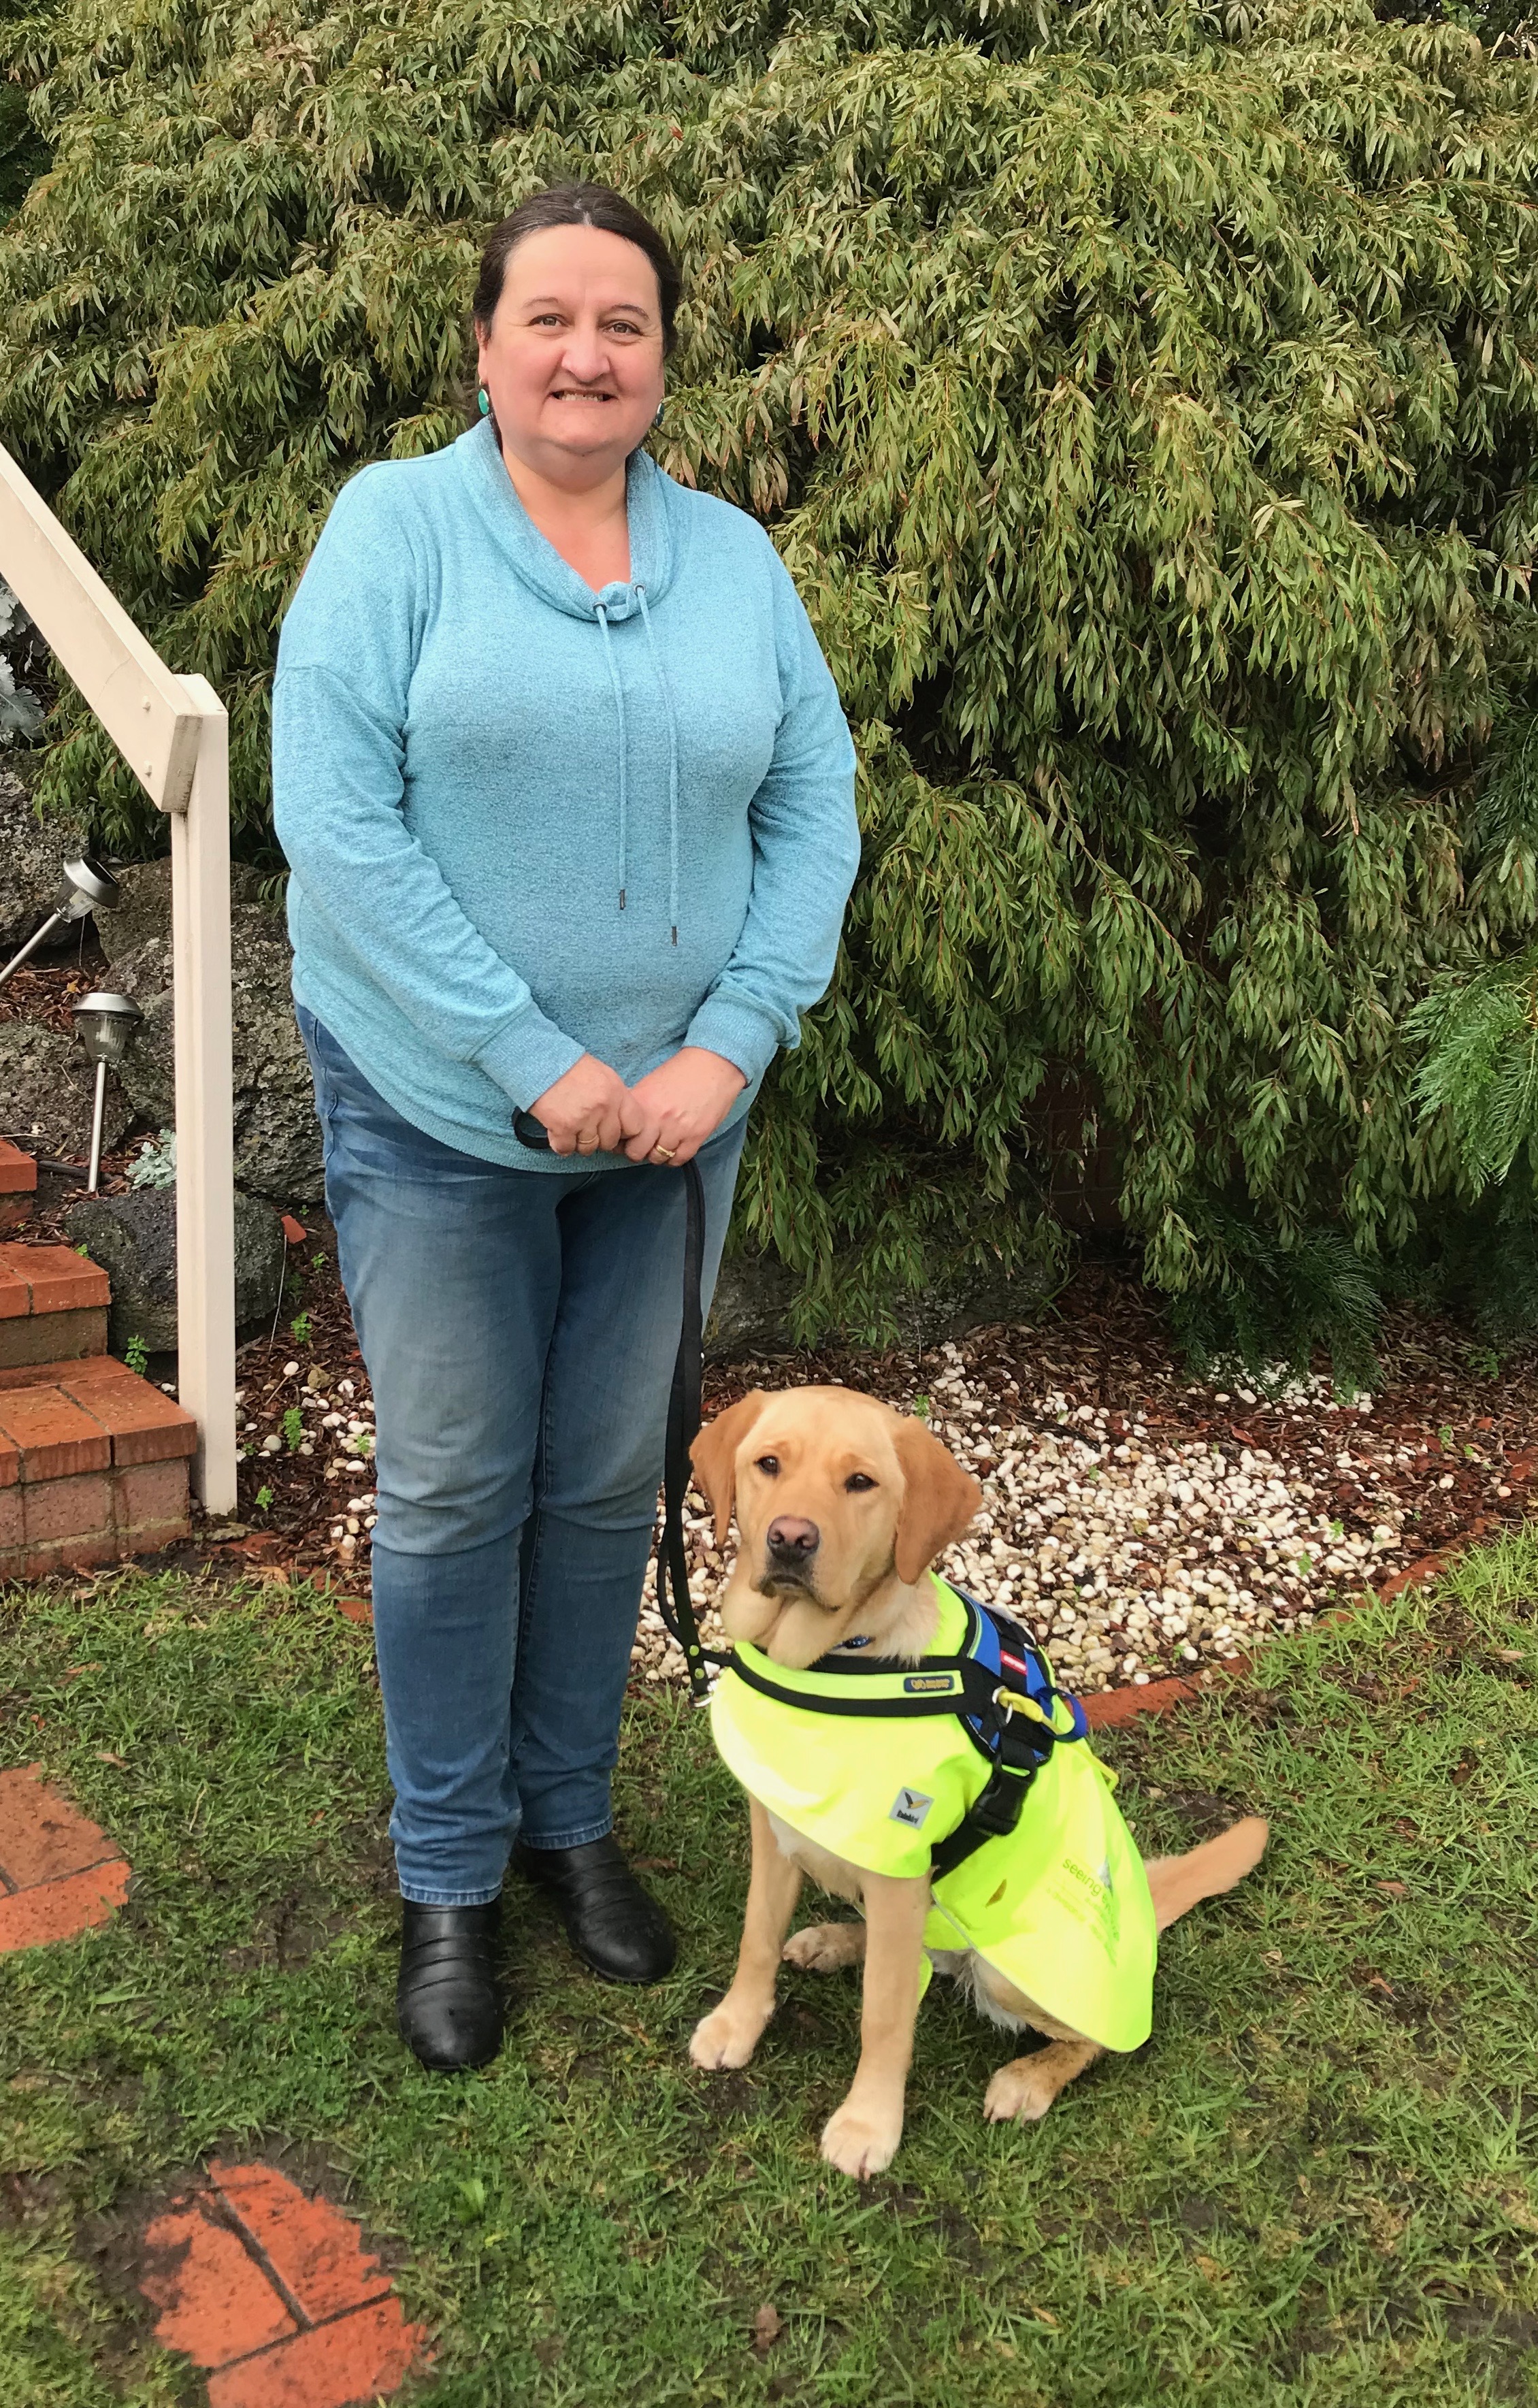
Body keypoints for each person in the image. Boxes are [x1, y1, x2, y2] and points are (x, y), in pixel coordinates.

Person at [271, 183, 860, 2071]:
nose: (586, 352)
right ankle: (448, 1870)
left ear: (662, 355)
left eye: (623, 321)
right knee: (455, 1487)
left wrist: (736, 1038)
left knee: (608, 1481)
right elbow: (338, 823)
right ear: (485, 345)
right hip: (444, 1105)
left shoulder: (733, 563)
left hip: (672, 1131)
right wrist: (530, 1049)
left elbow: (813, 810)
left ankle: (564, 1819)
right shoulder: (396, 532)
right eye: (549, 318)